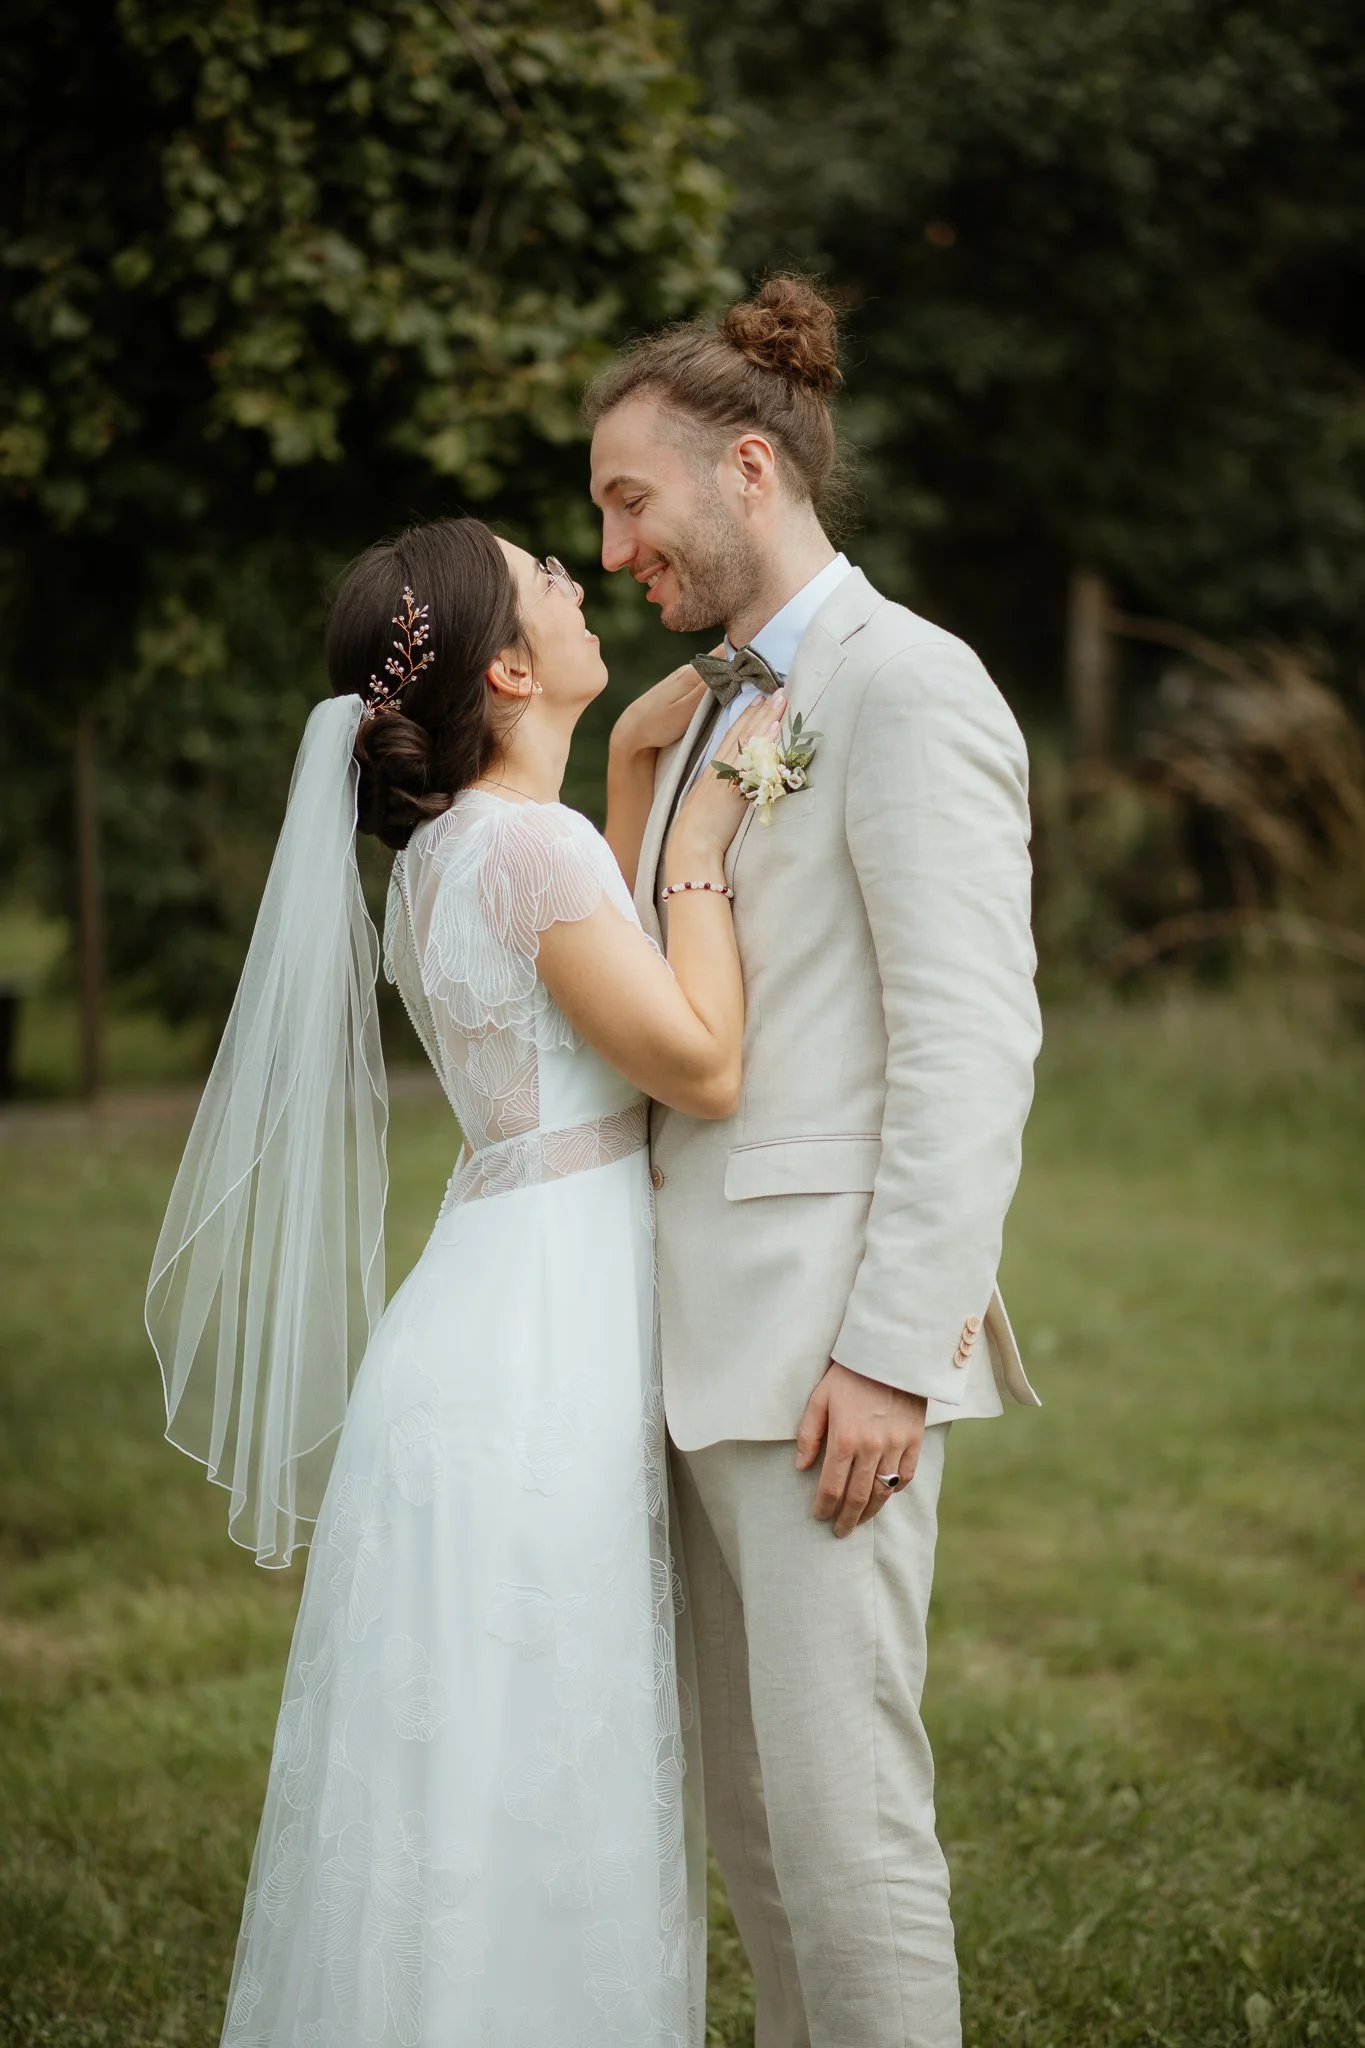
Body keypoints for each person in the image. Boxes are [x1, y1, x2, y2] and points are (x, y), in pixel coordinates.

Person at [146, 515, 785, 2046]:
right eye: (549, 576)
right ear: (506, 664)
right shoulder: (529, 847)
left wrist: (638, 766)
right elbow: (694, 1062)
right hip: (538, 1348)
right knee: (545, 1740)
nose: (579, 579)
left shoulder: (453, 855)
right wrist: (698, 854)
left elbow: (585, 985)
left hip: (480, 1315)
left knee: (465, 1768)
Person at [585, 275, 1043, 2048]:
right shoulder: (711, 707)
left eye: (630, 497)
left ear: (749, 468)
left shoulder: (912, 685)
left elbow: (971, 1044)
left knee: (849, 1837)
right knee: (760, 1839)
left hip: (825, 1364)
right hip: (684, 1352)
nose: (612, 540)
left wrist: (890, 1351)